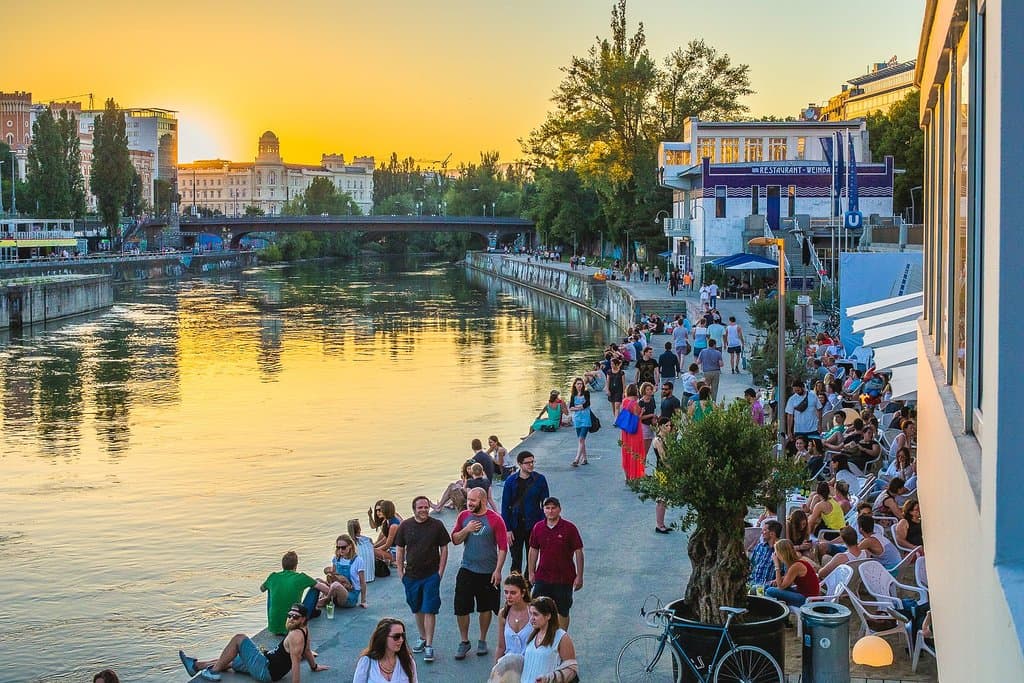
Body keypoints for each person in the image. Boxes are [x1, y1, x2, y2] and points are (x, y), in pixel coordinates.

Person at [179, 603, 326, 682]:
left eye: (295, 617)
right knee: (233, 659)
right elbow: (306, 651)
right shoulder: (304, 630)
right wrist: (314, 666)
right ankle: (196, 666)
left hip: (265, 670)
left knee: (239, 638)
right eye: (290, 615)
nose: (291, 619)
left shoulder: (295, 636)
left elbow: (295, 663)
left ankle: (213, 671)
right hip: (266, 662)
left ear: (303, 619)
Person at [451, 487, 509, 659]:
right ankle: (464, 641)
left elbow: (503, 548)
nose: (469, 503)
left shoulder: (495, 519)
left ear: (483, 501)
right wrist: (467, 529)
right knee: (461, 607)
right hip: (467, 568)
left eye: (473, 500)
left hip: (488, 571)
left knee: (485, 607)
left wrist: (498, 571)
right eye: (468, 499)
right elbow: (454, 539)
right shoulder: (463, 516)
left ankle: (482, 640)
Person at [395, 496, 451, 664]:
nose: (424, 510)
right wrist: (400, 572)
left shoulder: (437, 526)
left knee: (430, 609)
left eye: (426, 507)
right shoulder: (405, 526)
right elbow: (400, 549)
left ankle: (429, 644)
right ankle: (422, 636)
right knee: (417, 608)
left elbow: (444, 548)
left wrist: (440, 572)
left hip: (431, 576)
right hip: (411, 576)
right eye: (420, 507)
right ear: (414, 509)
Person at [528, 497, 584, 630]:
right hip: (543, 577)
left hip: (564, 578)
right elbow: (533, 550)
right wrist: (531, 572)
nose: (550, 511)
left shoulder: (569, 528)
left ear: (559, 509)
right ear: (543, 510)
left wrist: (579, 576)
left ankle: (561, 640)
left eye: (553, 508)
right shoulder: (538, 528)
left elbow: (578, 551)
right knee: (537, 608)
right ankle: (538, 637)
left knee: (563, 611)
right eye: (547, 508)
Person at [502, 450, 550, 575]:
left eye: (532, 462)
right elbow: (505, 506)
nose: (531, 465)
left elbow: (545, 504)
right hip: (515, 525)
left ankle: (527, 589)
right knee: (515, 560)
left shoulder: (540, 480)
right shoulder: (511, 481)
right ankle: (515, 587)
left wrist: (542, 525)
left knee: (532, 561)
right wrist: (507, 529)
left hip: (533, 525)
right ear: (519, 464)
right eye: (527, 463)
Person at [519, 596, 578, 683]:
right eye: (530, 614)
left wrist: (549, 678)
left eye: (535, 614)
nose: (531, 618)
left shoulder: (561, 637)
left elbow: (571, 669)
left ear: (548, 616)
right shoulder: (532, 636)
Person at [261, 552, 317, 635]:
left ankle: (276, 621)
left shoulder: (273, 576)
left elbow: (262, 588)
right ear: (296, 565)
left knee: (270, 588)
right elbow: (323, 588)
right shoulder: (301, 577)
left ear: (282, 565)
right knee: (315, 588)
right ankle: (308, 614)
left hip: (274, 628)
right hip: (293, 624)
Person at [353, 617, 417, 683]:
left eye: (403, 635)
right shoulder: (366, 662)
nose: (401, 640)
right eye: (396, 636)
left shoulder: (408, 661)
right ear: (383, 637)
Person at [316, 534, 367, 610]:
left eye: (343, 547)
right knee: (317, 581)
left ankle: (326, 600)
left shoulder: (358, 561)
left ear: (350, 546)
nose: (340, 550)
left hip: (349, 595)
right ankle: (325, 599)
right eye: (338, 547)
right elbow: (333, 576)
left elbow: (362, 582)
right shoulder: (336, 559)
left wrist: (363, 601)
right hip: (335, 591)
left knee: (336, 585)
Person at [766, 539, 820, 607]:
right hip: (802, 594)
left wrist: (777, 566)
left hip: (807, 599)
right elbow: (788, 581)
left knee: (769, 591)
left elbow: (781, 587)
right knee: (769, 586)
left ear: (781, 553)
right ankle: (779, 606)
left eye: (776, 552)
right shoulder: (793, 563)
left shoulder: (796, 566)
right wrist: (778, 579)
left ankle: (778, 611)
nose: (775, 555)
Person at [495, 573, 533, 660]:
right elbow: (501, 647)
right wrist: (496, 670)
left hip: (529, 662)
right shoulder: (503, 614)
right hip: (510, 666)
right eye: (506, 592)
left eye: (513, 593)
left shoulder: (533, 612)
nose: (508, 596)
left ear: (523, 593)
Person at [651, 417, 674, 534]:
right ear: (660, 426)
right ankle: (659, 525)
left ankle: (661, 523)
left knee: (665, 498)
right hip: (662, 471)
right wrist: (673, 469)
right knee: (662, 498)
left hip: (666, 470)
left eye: (670, 426)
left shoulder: (667, 438)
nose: (669, 428)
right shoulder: (657, 440)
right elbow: (663, 458)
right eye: (666, 426)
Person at [619, 384, 646, 481]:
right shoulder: (635, 404)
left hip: (626, 431)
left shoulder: (624, 401)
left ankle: (627, 477)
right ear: (636, 391)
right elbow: (636, 418)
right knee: (635, 452)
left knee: (627, 452)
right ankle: (635, 476)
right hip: (635, 431)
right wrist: (642, 412)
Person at [748, 519, 783, 589]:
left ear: (772, 533)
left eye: (764, 530)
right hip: (751, 583)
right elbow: (751, 565)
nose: (762, 533)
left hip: (767, 586)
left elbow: (789, 573)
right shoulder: (760, 546)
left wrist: (779, 579)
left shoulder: (782, 550)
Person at [568, 377, 592, 467]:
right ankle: (585, 459)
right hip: (577, 419)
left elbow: (587, 404)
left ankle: (576, 459)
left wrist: (577, 407)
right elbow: (570, 407)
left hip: (585, 418)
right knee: (581, 440)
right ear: (575, 385)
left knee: (581, 439)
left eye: (581, 384)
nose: (579, 385)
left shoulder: (586, 393)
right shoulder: (573, 395)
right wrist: (580, 407)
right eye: (578, 384)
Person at [348, 519, 376, 584]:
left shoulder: (350, 543)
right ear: (359, 529)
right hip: (371, 577)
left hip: (359, 580)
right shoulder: (369, 540)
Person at [638, 381, 658, 459]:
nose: (649, 391)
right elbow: (639, 418)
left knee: (647, 449)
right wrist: (651, 415)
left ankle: (641, 467)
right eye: (647, 390)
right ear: (644, 391)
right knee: (644, 451)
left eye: (650, 389)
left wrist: (654, 418)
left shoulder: (652, 399)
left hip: (651, 426)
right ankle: (641, 468)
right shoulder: (641, 402)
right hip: (644, 426)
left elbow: (654, 410)